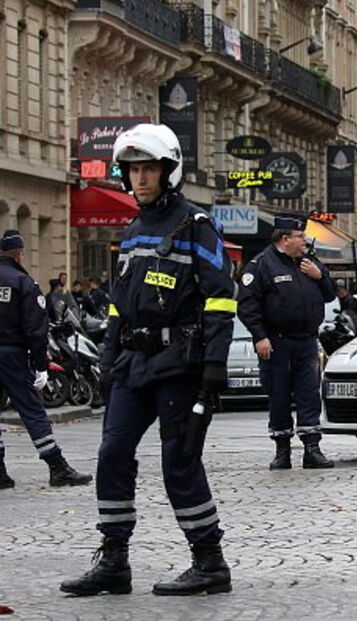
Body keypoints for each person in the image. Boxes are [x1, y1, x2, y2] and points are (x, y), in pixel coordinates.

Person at [61, 124, 237, 597]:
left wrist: (214, 366)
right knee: (112, 454)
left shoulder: (196, 224)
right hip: (132, 366)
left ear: (168, 171)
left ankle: (209, 561)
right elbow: (120, 301)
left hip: (178, 363)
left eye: (148, 169)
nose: (140, 179)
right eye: (133, 170)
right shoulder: (135, 228)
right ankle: (114, 560)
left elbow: (221, 296)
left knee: (179, 462)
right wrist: (108, 356)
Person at [237, 215, 337, 471]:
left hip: (306, 341)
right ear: (285, 239)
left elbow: (330, 293)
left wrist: (319, 276)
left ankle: (312, 449)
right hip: (276, 343)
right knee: (279, 396)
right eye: (300, 237)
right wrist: (260, 336)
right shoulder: (260, 266)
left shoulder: (308, 262)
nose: (304, 241)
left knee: (309, 395)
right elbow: (248, 306)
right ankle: (282, 451)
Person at [0, 230, 93, 490]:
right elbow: (36, 330)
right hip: (12, 355)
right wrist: (40, 366)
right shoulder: (23, 282)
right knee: (32, 411)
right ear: (19, 254)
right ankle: (57, 467)